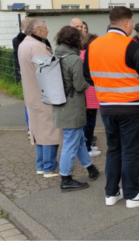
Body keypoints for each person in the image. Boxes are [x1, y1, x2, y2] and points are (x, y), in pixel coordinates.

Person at [84, 7, 139, 209]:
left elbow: (87, 76)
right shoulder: (132, 46)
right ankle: (133, 195)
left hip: (107, 107)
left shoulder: (94, 45)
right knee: (132, 150)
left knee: (114, 148)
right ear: (127, 23)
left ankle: (111, 192)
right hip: (132, 106)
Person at [52, 26, 100, 192]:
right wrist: (92, 84)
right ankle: (66, 178)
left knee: (78, 139)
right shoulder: (74, 59)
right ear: (75, 40)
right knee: (71, 142)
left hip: (61, 103)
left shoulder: (56, 55)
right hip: (73, 105)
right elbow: (79, 85)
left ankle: (90, 168)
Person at [18, 19, 63, 178]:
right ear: (37, 30)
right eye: (45, 28)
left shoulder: (24, 43)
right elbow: (48, 72)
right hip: (44, 94)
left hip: (32, 93)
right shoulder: (37, 46)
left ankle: (41, 165)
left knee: (39, 130)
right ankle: (49, 167)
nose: (48, 31)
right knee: (49, 130)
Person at [80, 33, 101, 157]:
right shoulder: (87, 55)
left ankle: (88, 146)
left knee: (88, 121)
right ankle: (87, 148)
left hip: (88, 93)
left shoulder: (82, 54)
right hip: (90, 93)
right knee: (89, 122)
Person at [13, 18, 32, 139]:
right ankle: (30, 127)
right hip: (26, 73)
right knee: (29, 102)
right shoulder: (18, 40)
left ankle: (33, 126)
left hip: (33, 73)